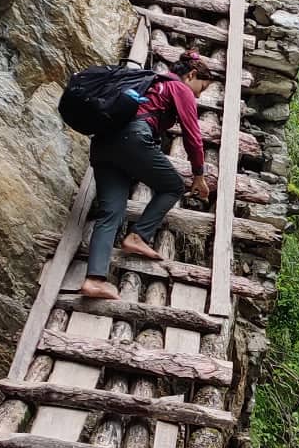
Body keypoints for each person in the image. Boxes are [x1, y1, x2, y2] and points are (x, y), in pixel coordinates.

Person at [81, 50, 213, 300]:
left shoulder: (149, 81)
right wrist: (198, 174)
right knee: (173, 187)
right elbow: (193, 136)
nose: (198, 95)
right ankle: (138, 235)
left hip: (103, 145)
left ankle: (94, 280)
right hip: (133, 140)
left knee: (111, 212)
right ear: (192, 75)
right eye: (201, 88)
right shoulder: (179, 89)